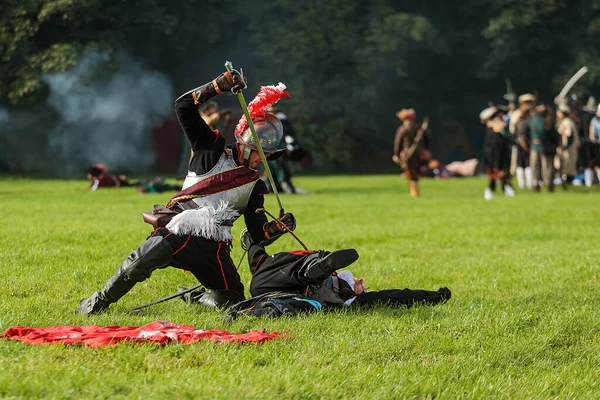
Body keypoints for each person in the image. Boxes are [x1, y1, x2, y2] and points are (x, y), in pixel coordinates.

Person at [74, 70, 296, 315]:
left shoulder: (256, 185)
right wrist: (218, 86)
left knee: (231, 299)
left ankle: (195, 296)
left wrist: (277, 228)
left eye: (266, 156)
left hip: (214, 246)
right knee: (138, 264)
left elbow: (257, 233)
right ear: (244, 142)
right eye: (258, 152)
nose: (261, 160)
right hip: (180, 229)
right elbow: (183, 107)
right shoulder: (211, 149)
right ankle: (98, 302)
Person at [239, 231, 451, 309]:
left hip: (266, 283)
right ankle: (316, 267)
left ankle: (316, 266)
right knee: (303, 272)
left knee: (297, 270)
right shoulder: (348, 296)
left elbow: (254, 250)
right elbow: (394, 296)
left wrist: (251, 243)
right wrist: (432, 296)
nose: (363, 284)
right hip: (275, 283)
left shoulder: (261, 265)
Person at [392, 109, 431, 198]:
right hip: (419, 154)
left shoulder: (402, 129)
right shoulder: (419, 128)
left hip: (408, 155)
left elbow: (398, 143)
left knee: (411, 174)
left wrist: (396, 154)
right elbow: (427, 141)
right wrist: (425, 150)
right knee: (415, 174)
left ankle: (414, 194)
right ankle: (415, 193)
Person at [479, 106, 515, 200]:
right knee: (494, 174)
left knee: (502, 173)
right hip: (493, 153)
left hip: (500, 153)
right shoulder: (492, 124)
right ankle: (491, 189)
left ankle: (505, 187)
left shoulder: (499, 125)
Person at [528, 105, 560, 192]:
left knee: (535, 166)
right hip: (545, 146)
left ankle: (536, 184)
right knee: (547, 167)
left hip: (534, 145)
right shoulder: (548, 121)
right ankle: (548, 185)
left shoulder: (531, 121)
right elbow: (554, 135)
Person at [509, 94, 536, 189]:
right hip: (521, 142)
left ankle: (528, 183)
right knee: (522, 163)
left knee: (526, 163)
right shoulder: (517, 114)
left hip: (527, 141)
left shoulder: (532, 114)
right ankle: (523, 184)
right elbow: (512, 129)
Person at [555, 103, 580, 188]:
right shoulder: (562, 121)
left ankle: (568, 182)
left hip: (568, 148)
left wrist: (565, 147)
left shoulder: (568, 122)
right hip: (564, 147)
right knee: (562, 165)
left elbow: (569, 135)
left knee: (567, 165)